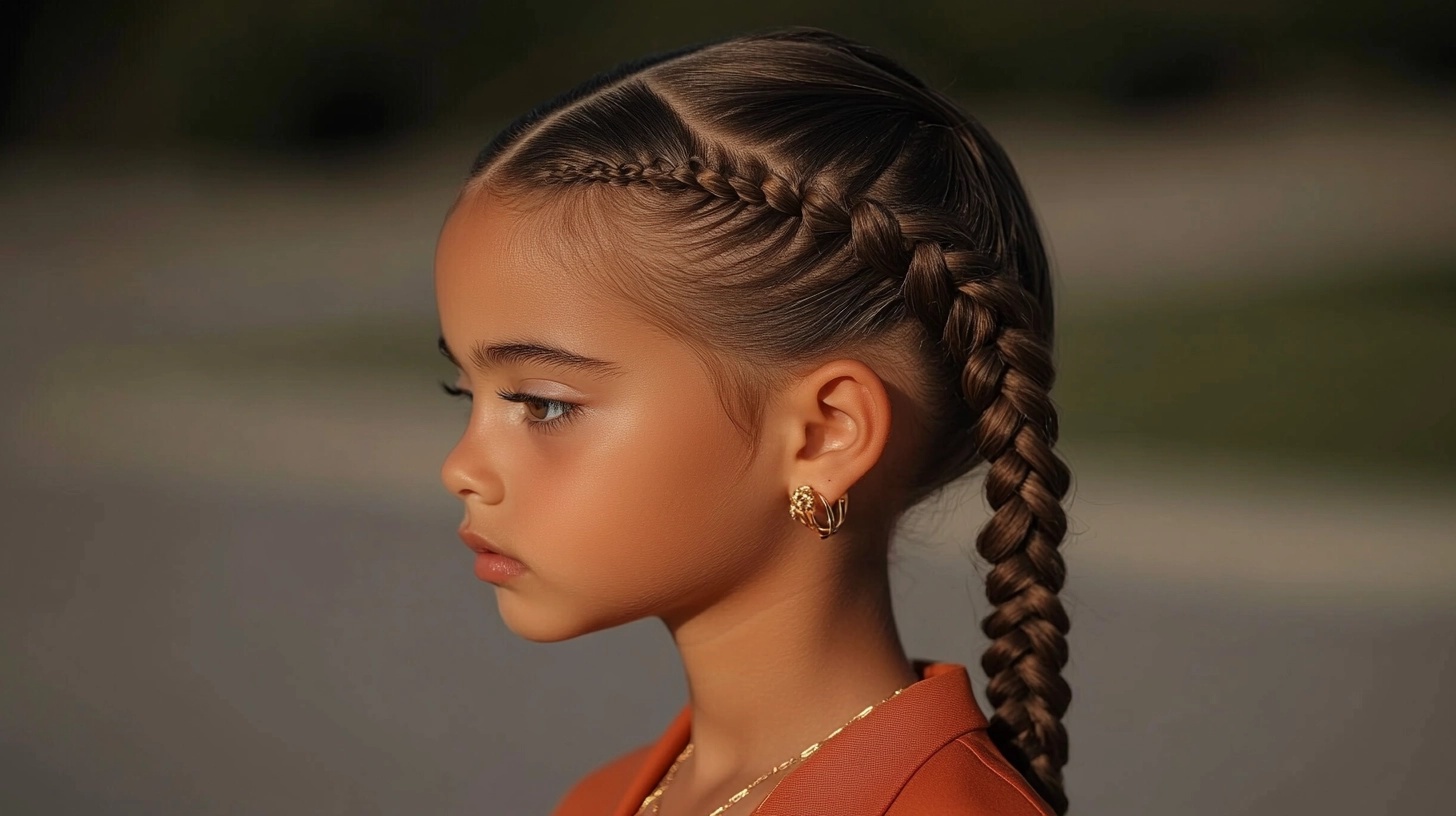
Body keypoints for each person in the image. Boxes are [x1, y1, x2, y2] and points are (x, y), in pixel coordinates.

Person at [435, 27, 1072, 816]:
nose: (461, 468)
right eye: (464, 392)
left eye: (545, 403)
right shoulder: (604, 801)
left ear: (822, 435)